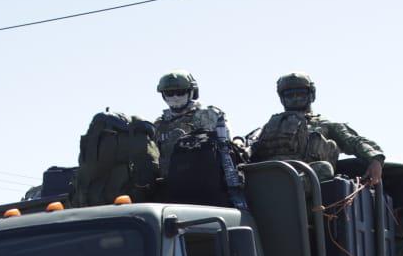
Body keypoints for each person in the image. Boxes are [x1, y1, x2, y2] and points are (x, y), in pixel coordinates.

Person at [249, 72, 385, 187]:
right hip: (269, 178)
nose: (295, 99)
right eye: (290, 95)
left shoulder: (325, 125)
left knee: (323, 168)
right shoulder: (268, 128)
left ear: (311, 95)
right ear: (282, 98)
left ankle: (287, 193)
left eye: (300, 94)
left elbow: (354, 141)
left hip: (304, 185)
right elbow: (249, 148)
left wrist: (375, 159)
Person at [153, 71, 230, 176]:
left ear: (191, 92)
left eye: (180, 92)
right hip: (170, 183)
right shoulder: (159, 125)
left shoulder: (209, 116)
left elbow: (227, 148)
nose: (175, 97)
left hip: (208, 178)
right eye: (169, 93)